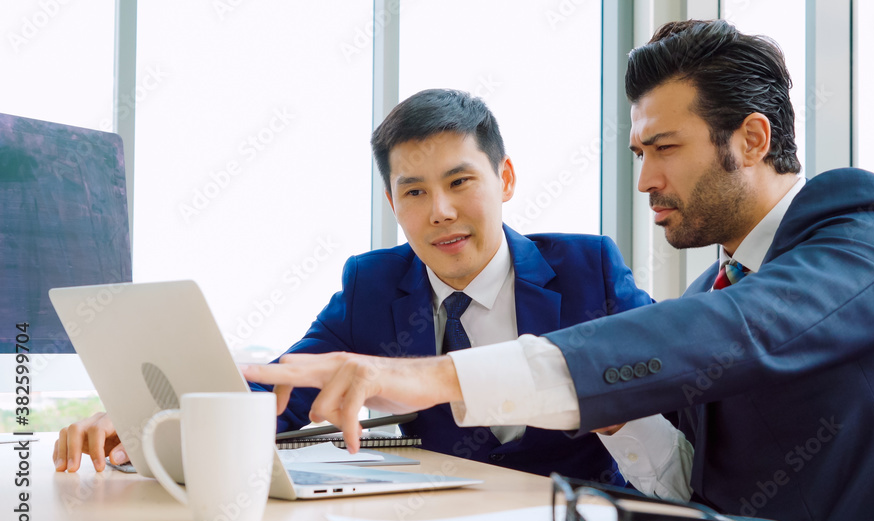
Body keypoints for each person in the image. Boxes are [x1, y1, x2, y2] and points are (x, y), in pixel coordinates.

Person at [243, 20, 874, 521]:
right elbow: (685, 478)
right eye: (639, 151)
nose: (644, 180)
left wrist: (435, 376)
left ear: (753, 139)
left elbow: (739, 330)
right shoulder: (715, 285)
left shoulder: (864, 221)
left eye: (664, 149)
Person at [53, 89, 693, 490]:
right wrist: (153, 426)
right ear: (392, 202)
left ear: (506, 178)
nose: (439, 210)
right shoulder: (372, 283)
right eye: (413, 191)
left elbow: (677, 401)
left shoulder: (589, 269)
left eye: (460, 181)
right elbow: (283, 384)